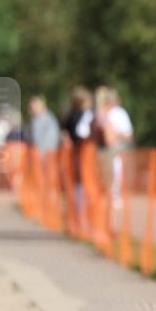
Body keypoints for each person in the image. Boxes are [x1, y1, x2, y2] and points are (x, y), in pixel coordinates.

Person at [63, 87, 94, 232]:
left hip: (83, 155)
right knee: (79, 186)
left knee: (81, 187)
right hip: (79, 154)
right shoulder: (76, 115)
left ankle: (81, 218)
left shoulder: (85, 114)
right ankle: (79, 219)